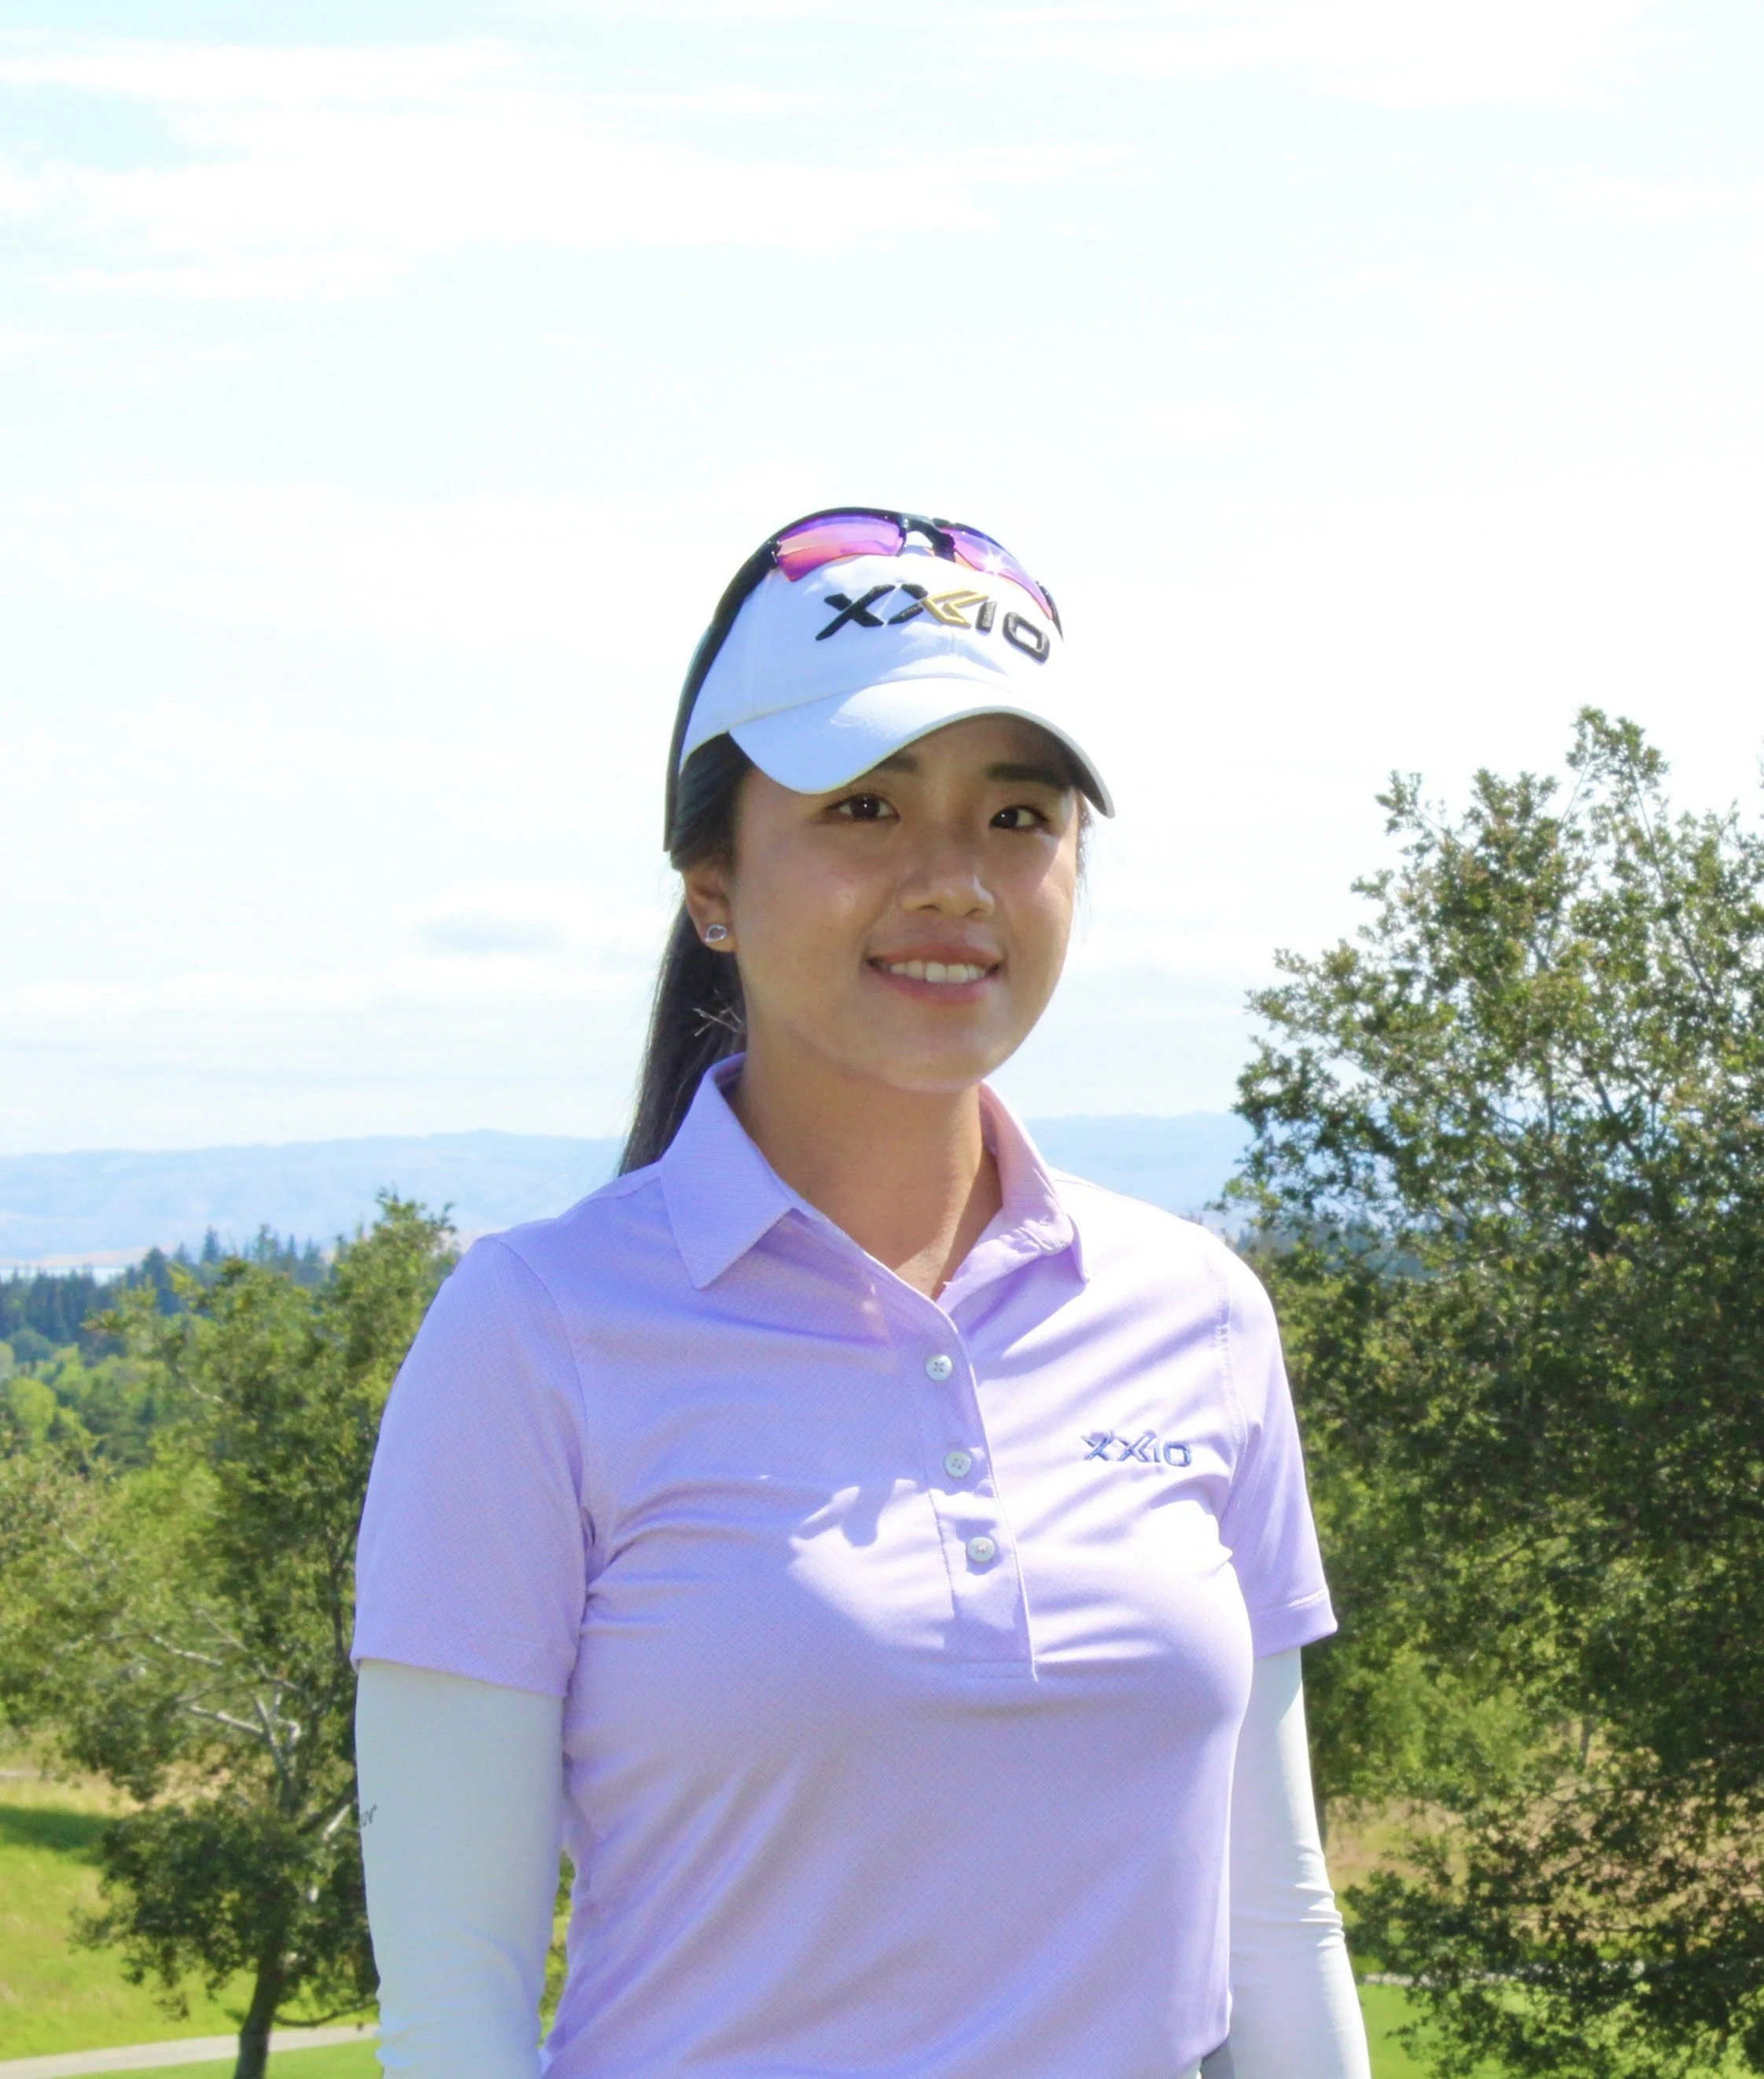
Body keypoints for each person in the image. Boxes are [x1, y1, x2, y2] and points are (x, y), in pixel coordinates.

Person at [352, 508, 1373, 2079]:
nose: (951, 878)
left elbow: (1274, 1927)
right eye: (864, 805)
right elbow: (451, 2015)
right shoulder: (532, 1331)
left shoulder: (1199, 1314)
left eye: (1017, 814)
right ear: (711, 880)